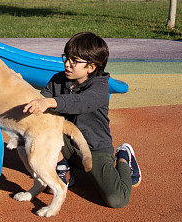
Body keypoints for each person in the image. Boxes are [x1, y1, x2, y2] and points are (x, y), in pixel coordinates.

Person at [22, 32, 140, 209]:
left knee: (117, 199)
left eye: (74, 61)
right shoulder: (58, 80)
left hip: (94, 149)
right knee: (35, 130)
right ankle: (63, 169)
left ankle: (124, 157)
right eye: (66, 58)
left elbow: (80, 103)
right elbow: (38, 103)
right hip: (66, 144)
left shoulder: (100, 86)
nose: (67, 64)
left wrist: (51, 102)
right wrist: (20, 83)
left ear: (91, 67)